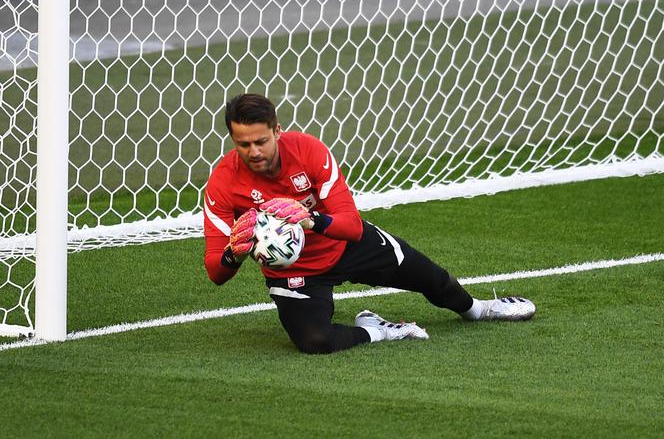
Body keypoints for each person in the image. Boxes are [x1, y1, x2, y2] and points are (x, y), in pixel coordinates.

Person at [203, 93, 536, 354]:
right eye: (243, 144)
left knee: (436, 281)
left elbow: (352, 226)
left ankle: (479, 309)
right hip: (294, 273)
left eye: (261, 141)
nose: (254, 152)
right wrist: (236, 252)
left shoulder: (310, 151)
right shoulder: (223, 182)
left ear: (277, 131)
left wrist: (311, 220)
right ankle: (382, 330)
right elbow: (216, 272)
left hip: (345, 245)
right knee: (315, 341)